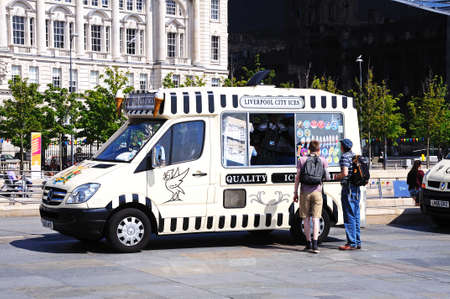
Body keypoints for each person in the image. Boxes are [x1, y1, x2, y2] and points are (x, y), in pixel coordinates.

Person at [293, 140, 330, 254]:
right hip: (317, 192)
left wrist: (295, 193)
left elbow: (297, 177)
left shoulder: (302, 160)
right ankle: (315, 244)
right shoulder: (323, 160)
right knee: (316, 218)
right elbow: (327, 177)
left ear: (309, 149)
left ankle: (308, 243)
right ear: (318, 149)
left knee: (306, 219)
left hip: (305, 192)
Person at [334, 139, 361, 250]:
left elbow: (345, 173)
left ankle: (351, 243)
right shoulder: (355, 156)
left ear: (343, 147)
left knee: (349, 214)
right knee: (356, 215)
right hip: (356, 188)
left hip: (348, 188)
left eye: (340, 146)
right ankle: (357, 241)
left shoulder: (345, 157)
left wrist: (337, 176)